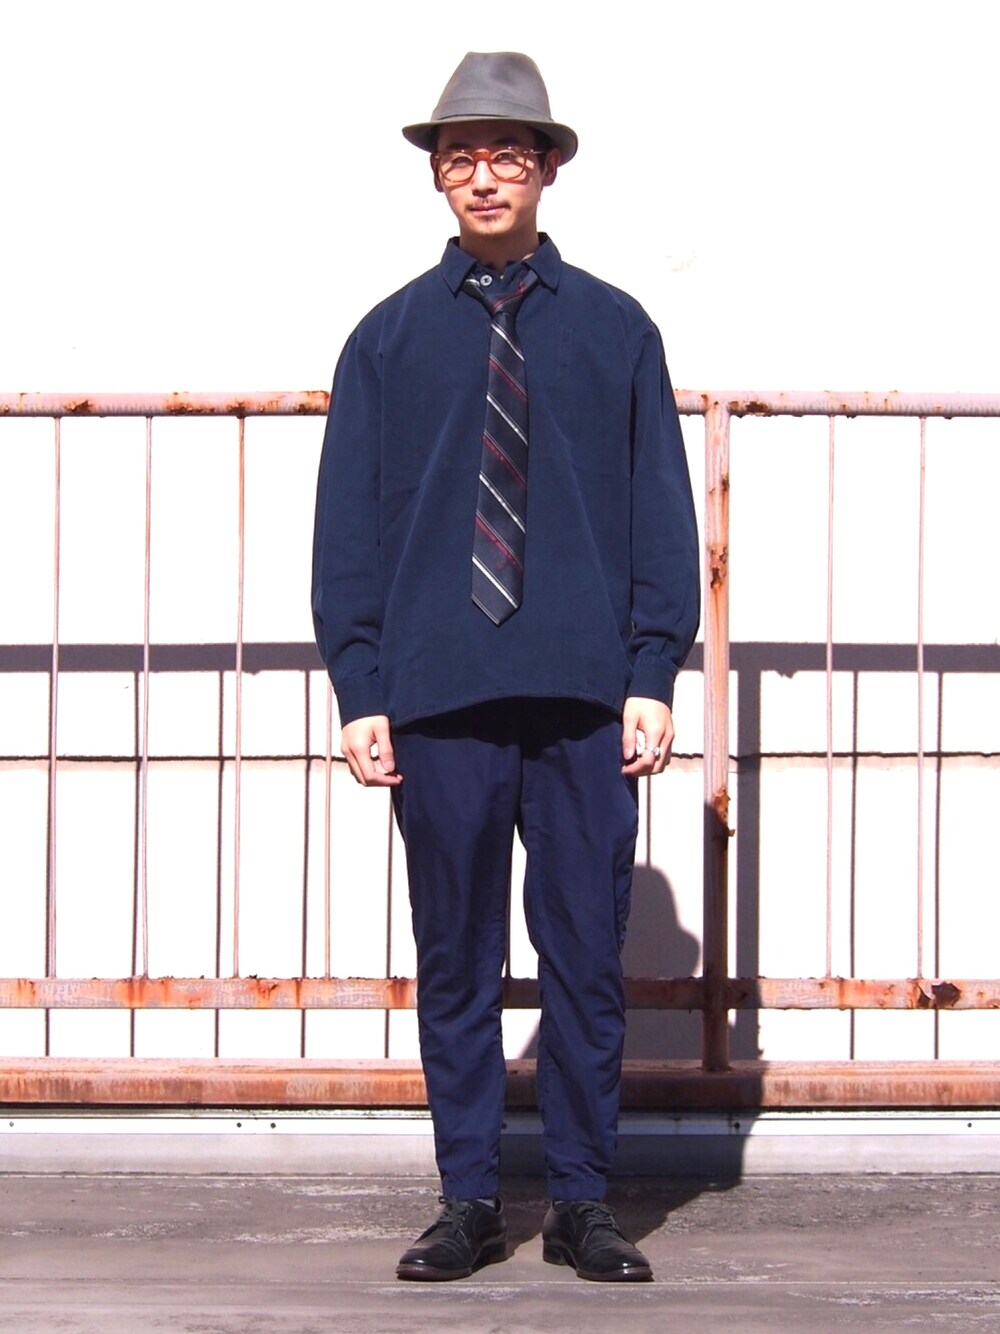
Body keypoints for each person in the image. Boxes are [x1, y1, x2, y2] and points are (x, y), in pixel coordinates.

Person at [312, 51, 699, 1283]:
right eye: (462, 158)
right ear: (437, 177)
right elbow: (348, 527)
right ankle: (468, 1197)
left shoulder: (616, 330)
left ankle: (584, 1200)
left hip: (583, 689)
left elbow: (659, 509)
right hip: (440, 691)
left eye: (508, 156)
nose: (485, 177)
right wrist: (360, 686)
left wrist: (652, 668)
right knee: (456, 957)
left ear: (547, 171)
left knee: (585, 956)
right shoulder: (385, 340)